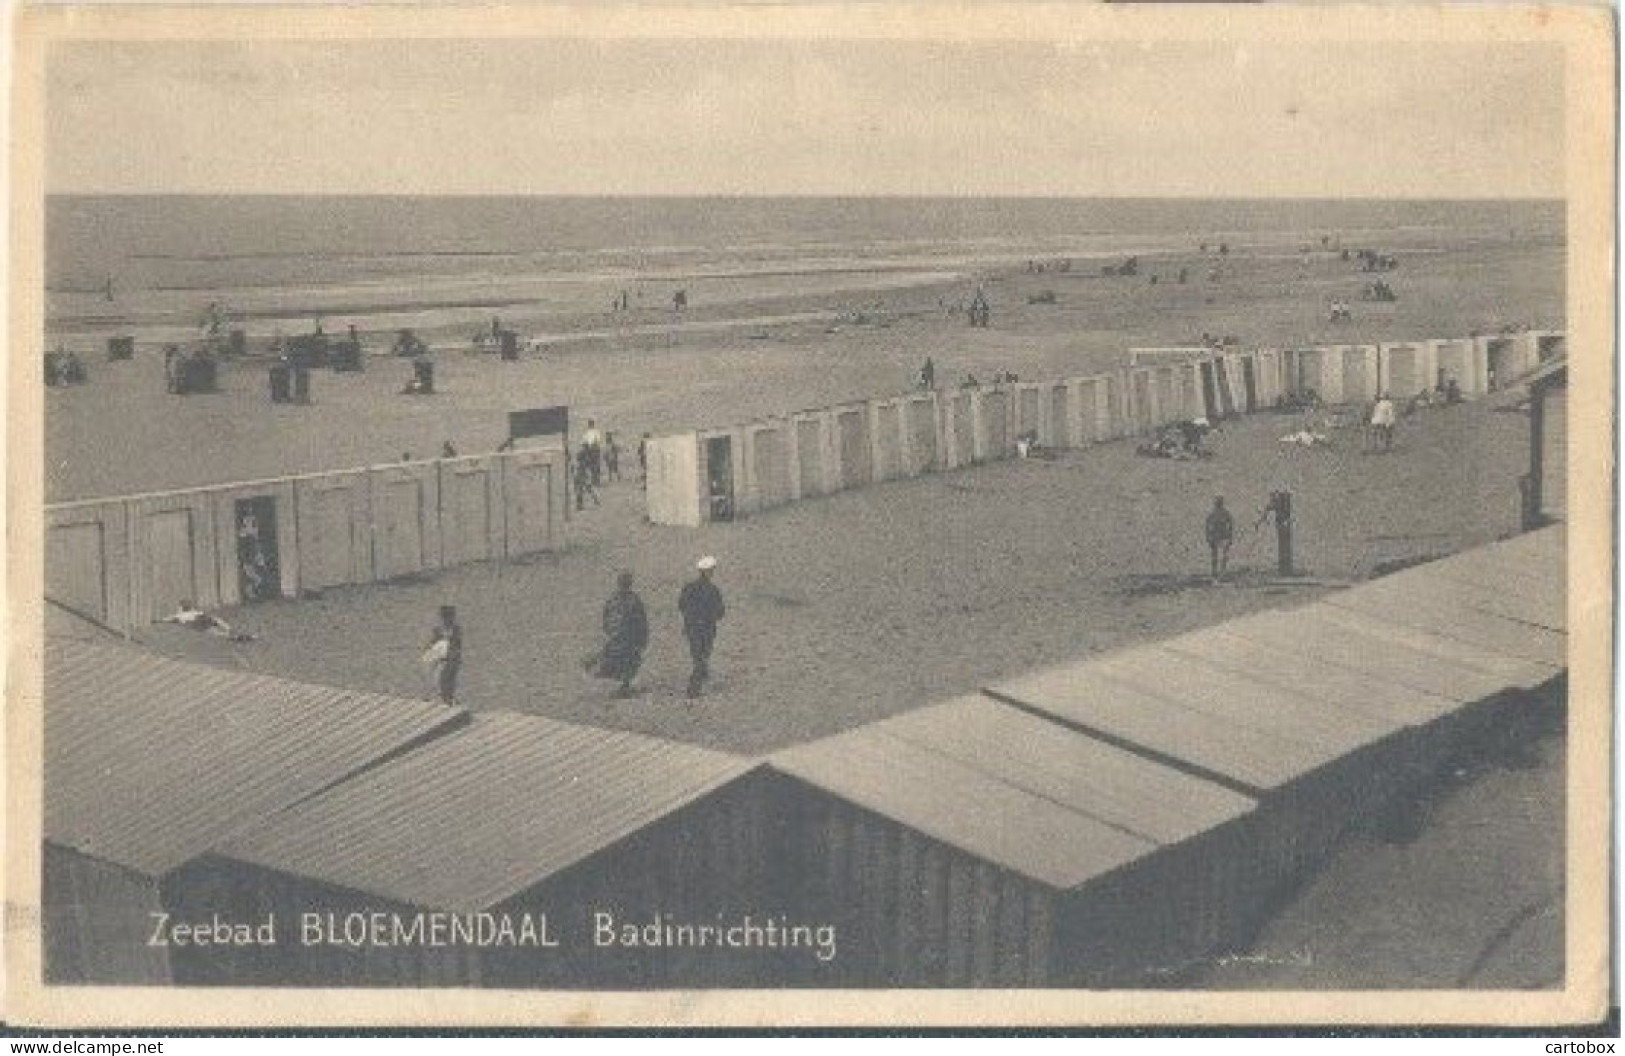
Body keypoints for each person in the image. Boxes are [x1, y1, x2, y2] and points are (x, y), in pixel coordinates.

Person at [592, 571, 649, 698]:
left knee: (620, 661)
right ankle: (624, 687)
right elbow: (641, 620)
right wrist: (643, 637)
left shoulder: (612, 599)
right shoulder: (634, 600)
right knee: (629, 662)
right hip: (628, 638)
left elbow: (606, 618)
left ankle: (622, 686)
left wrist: (609, 632)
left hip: (616, 637)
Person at [678, 556, 726, 699]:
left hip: (692, 627)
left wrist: (690, 618)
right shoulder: (713, 590)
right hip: (707, 628)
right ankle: (694, 686)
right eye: (711, 571)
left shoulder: (689, 587)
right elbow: (720, 612)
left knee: (697, 655)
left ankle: (700, 675)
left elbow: (681, 605)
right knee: (703, 655)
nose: (712, 573)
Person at [422, 605, 462, 706]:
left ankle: (449, 701)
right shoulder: (438, 629)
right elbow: (432, 642)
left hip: (452, 660)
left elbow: (457, 644)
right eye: (445, 616)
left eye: (450, 616)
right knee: (440, 681)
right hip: (442, 660)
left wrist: (448, 638)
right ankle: (443, 701)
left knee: (450, 682)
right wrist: (428, 649)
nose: (447, 619)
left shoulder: (456, 629)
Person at [162, 600, 254, 641]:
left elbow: (169, 619)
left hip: (201, 624)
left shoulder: (180, 616)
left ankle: (240, 637)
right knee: (224, 627)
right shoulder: (191, 611)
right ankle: (244, 636)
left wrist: (158, 621)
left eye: (179, 607)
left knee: (221, 635)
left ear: (182, 608)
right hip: (206, 618)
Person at [1205, 497, 1234, 582]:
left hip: (1221, 536)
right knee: (1217, 555)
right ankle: (1216, 572)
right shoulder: (1215, 514)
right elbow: (1207, 526)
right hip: (1217, 536)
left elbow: (1230, 524)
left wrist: (1230, 536)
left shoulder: (1223, 513)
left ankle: (1220, 572)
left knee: (1221, 555)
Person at [574, 444, 600, 510]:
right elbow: (589, 465)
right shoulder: (585, 457)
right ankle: (594, 500)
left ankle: (580, 504)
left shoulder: (582, 457)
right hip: (581, 475)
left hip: (580, 474)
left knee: (583, 489)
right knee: (585, 488)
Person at [582, 419, 605, 486]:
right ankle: (595, 480)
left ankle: (595, 480)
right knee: (594, 466)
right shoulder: (594, 432)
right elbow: (598, 441)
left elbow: (584, 442)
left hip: (592, 450)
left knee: (594, 466)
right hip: (593, 450)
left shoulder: (589, 433)